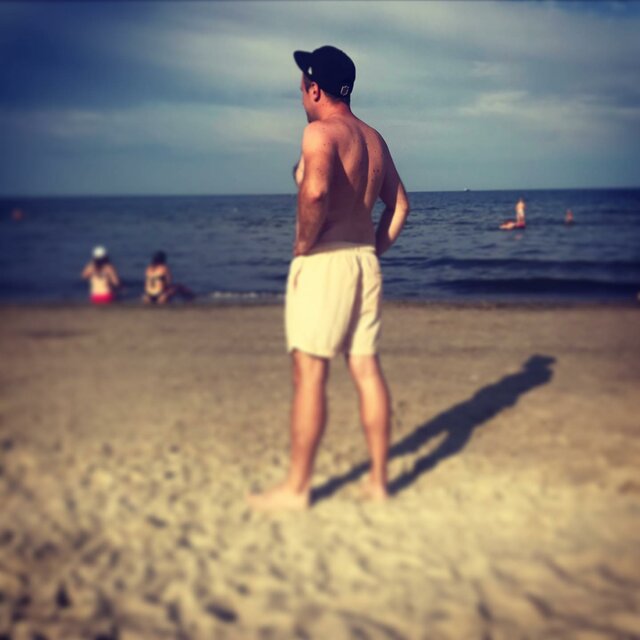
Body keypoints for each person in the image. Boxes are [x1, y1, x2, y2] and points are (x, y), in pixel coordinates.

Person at [248, 45, 410, 511]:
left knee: (310, 374)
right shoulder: (374, 139)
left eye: (302, 86)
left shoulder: (319, 134)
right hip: (363, 262)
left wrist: (304, 244)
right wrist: (374, 248)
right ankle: (378, 482)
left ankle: (297, 489)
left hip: (326, 262)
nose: (301, 94)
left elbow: (316, 193)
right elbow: (400, 206)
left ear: (314, 89)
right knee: (366, 369)